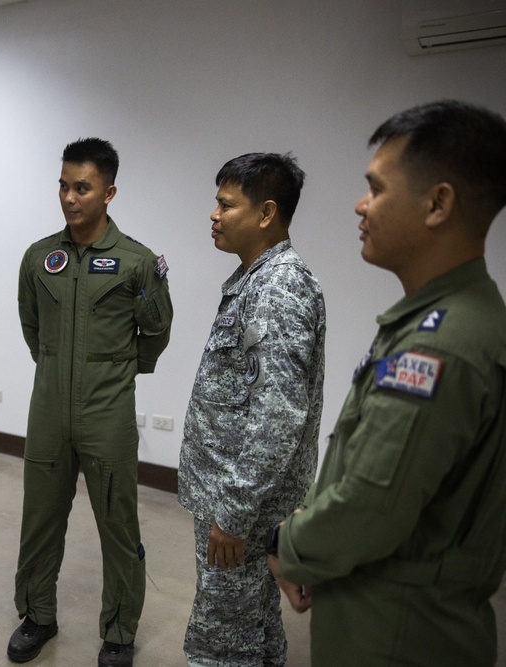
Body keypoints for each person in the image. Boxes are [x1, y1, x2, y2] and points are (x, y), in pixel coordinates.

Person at [268, 100, 506, 666]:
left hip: (395, 631)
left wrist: (291, 547)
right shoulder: (462, 317)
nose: (360, 204)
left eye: (375, 188)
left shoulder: (437, 345)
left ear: (438, 203)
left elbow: (372, 504)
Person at [9, 137, 173, 667]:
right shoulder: (40, 258)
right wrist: (57, 370)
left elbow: (156, 332)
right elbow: (32, 328)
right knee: (39, 521)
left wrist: (116, 372)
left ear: (109, 192)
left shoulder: (137, 263)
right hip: (49, 409)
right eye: (63, 185)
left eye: (82, 187)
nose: (69, 197)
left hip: (108, 414)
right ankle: (37, 616)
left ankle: (120, 633)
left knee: (119, 528)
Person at [178, 153, 326, 666]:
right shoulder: (257, 279)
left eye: (225, 204)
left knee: (222, 642)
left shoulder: (277, 289)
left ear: (266, 213)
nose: (213, 215)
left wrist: (235, 513)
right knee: (255, 626)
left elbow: (278, 416)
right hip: (242, 500)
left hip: (241, 506)